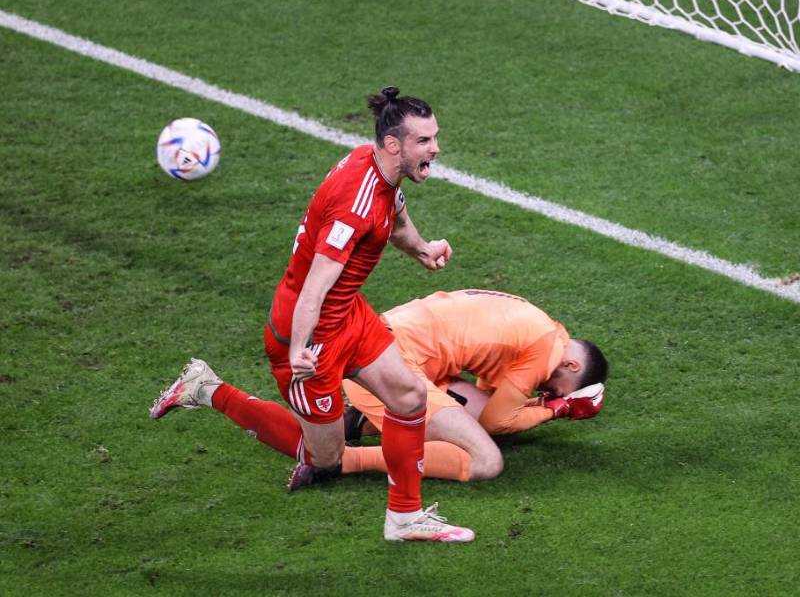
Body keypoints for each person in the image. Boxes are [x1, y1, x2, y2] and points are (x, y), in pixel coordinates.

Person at [150, 87, 473, 542]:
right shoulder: (354, 204)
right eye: (425, 141)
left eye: (434, 137)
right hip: (310, 332)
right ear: (394, 145)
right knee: (325, 459)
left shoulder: (376, 167)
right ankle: (206, 388)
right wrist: (300, 348)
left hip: (347, 315)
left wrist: (421, 249)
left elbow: (394, 213)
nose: (435, 148)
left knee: (409, 399)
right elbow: (314, 286)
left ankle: (404, 518)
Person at [289, 289, 607, 487]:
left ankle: (359, 421)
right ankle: (340, 462)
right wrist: (555, 410)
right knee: (486, 459)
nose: (550, 393)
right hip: (388, 365)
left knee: (486, 429)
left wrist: (542, 407)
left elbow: (493, 407)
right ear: (572, 366)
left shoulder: (540, 326)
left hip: (380, 347)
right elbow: (496, 421)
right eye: (561, 390)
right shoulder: (545, 349)